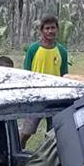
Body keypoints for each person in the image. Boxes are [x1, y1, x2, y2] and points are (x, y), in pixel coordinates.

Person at [21, 15, 68, 148]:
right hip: (36, 97)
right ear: (41, 31)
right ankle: (18, 152)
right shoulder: (33, 49)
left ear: (57, 29)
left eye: (53, 28)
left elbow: (64, 74)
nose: (50, 31)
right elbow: (26, 73)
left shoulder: (62, 51)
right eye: (47, 28)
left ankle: (48, 161)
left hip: (55, 98)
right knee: (26, 132)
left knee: (53, 135)